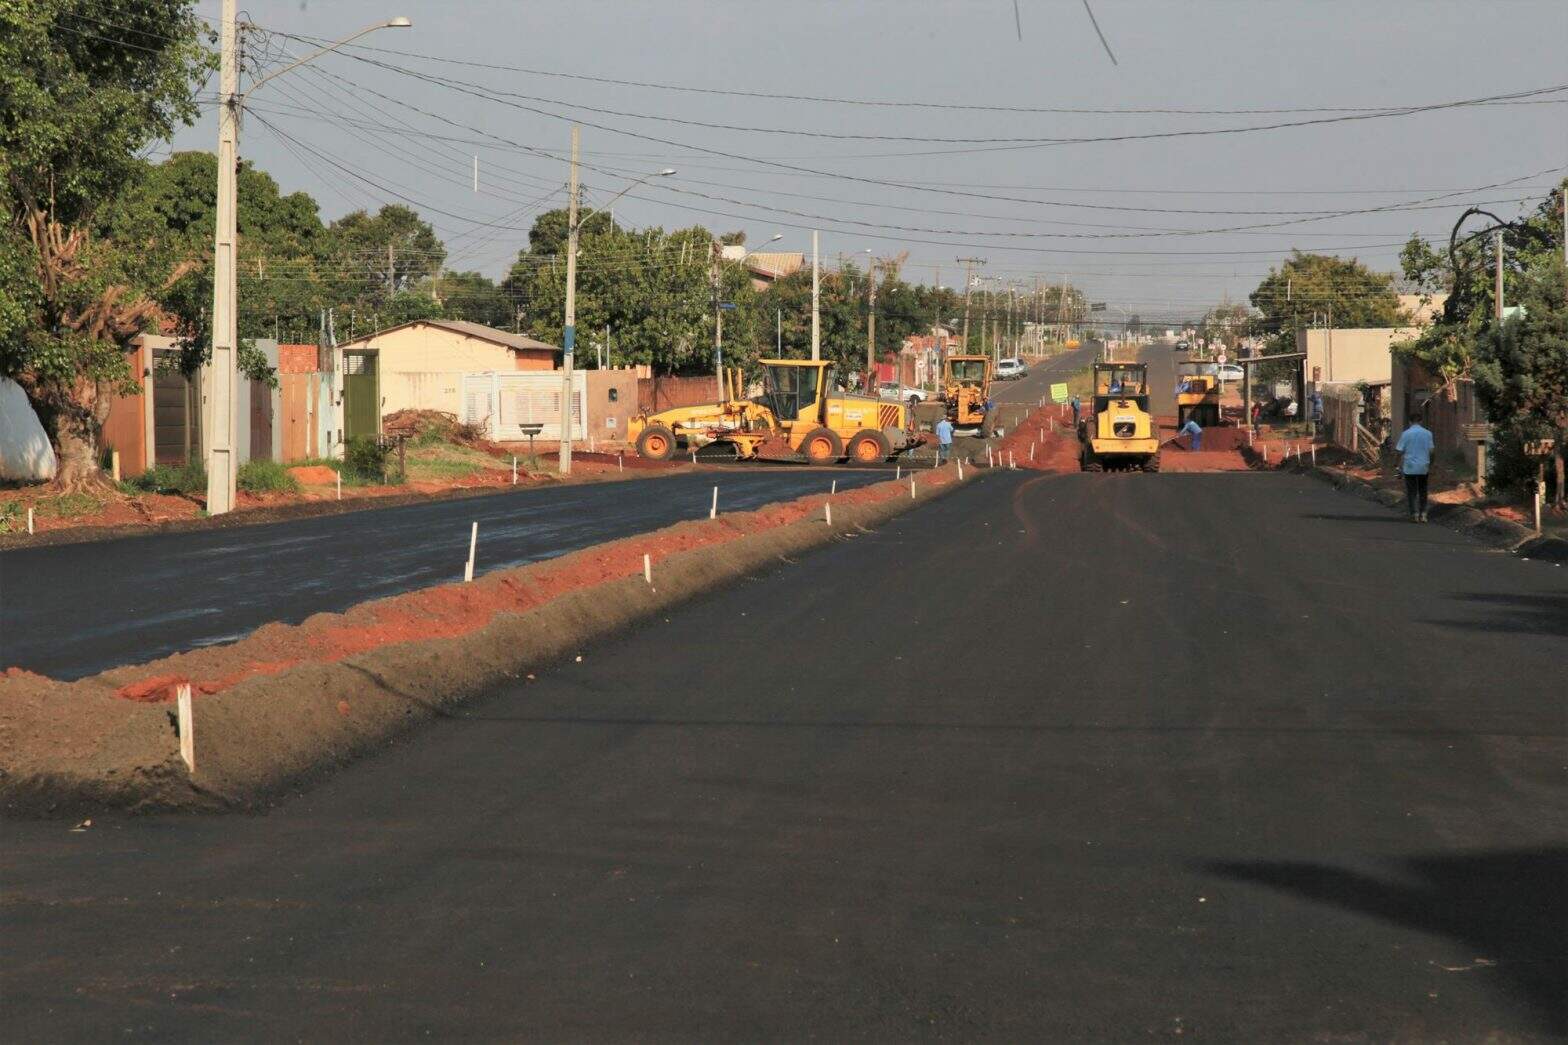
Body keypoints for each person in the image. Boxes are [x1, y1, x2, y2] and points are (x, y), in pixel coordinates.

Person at [1394, 411, 1435, 522]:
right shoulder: (1428, 434)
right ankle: (1424, 514)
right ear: (1421, 421)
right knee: (1423, 490)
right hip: (1423, 466)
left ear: (1410, 422)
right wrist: (1430, 463)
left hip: (1410, 467)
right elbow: (1431, 451)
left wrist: (1396, 464)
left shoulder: (1406, 434)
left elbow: (1399, 451)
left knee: (1412, 491)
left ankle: (1414, 514)